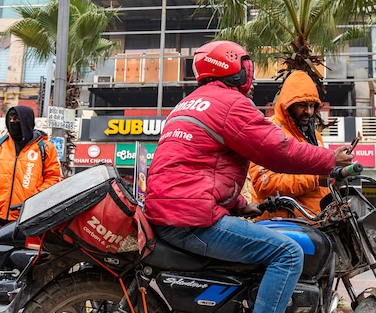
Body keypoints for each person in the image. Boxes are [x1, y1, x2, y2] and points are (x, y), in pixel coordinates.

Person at [143, 40, 353, 313]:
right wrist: (330, 159)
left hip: (172, 212)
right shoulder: (230, 104)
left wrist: (241, 206)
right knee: (288, 254)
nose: (251, 78)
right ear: (233, 70)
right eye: (248, 68)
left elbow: (201, 170)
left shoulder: (188, 104)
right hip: (191, 220)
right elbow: (277, 151)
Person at [249, 70, 332, 219]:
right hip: (283, 227)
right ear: (287, 105)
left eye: (312, 106)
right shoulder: (269, 132)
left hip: (316, 225)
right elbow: (264, 184)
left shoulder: (315, 136)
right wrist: (315, 180)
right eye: (302, 105)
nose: (309, 111)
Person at [0, 106, 63, 227]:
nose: (12, 122)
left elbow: (54, 179)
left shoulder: (45, 148)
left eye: (16, 119)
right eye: (10, 119)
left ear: (26, 120)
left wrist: (34, 199)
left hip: (27, 218)